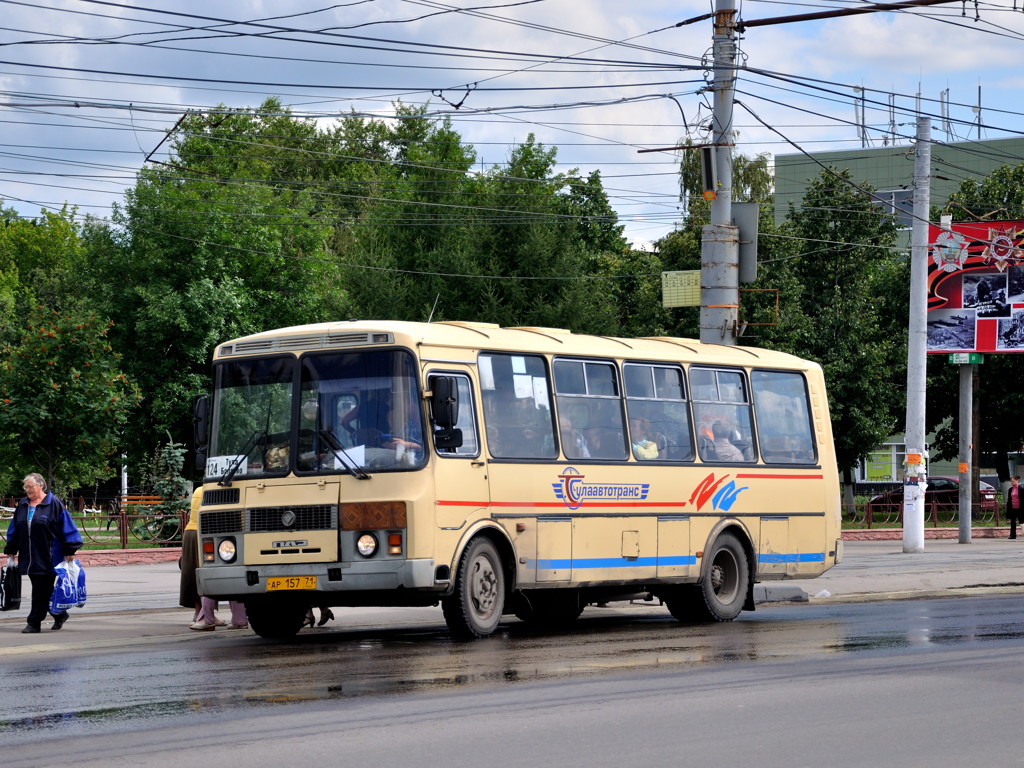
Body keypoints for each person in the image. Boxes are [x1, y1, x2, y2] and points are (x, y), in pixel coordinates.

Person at [3, 473, 82, 633]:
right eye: (25, 487)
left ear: (40, 485)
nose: (27, 490)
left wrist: (71, 548)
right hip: (29, 555)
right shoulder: (24, 505)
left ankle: (34, 622)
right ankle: (58, 613)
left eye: (30, 486)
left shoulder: (54, 504)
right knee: (42, 589)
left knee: (40, 589)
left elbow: (67, 526)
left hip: (49, 555)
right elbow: (16, 528)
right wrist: (11, 547)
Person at [184, 487, 248, 631]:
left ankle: (206, 618)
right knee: (234, 574)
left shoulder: (206, 490)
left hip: (212, 533)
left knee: (210, 572)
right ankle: (239, 619)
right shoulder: (237, 487)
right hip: (236, 532)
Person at [1007, 475, 1024, 540]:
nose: (1012, 482)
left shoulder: (1021, 489)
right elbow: (1009, 499)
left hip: (1020, 508)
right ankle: (1012, 535)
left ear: (1017, 481)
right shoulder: (1010, 489)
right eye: (1011, 481)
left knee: (1022, 521)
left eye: (1013, 481)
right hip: (1013, 508)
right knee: (1012, 522)